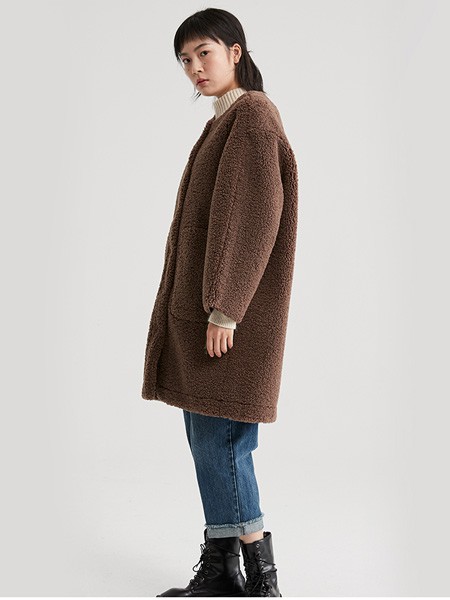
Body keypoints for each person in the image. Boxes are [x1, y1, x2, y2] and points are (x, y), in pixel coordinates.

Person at [141, 7, 298, 597]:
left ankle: (259, 579)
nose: (194, 68)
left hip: (227, 319)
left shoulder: (252, 117)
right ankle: (222, 568)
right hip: (209, 316)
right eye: (185, 60)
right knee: (211, 441)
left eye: (203, 52)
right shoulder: (224, 121)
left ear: (236, 51)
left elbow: (253, 218)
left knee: (225, 444)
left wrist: (225, 307)